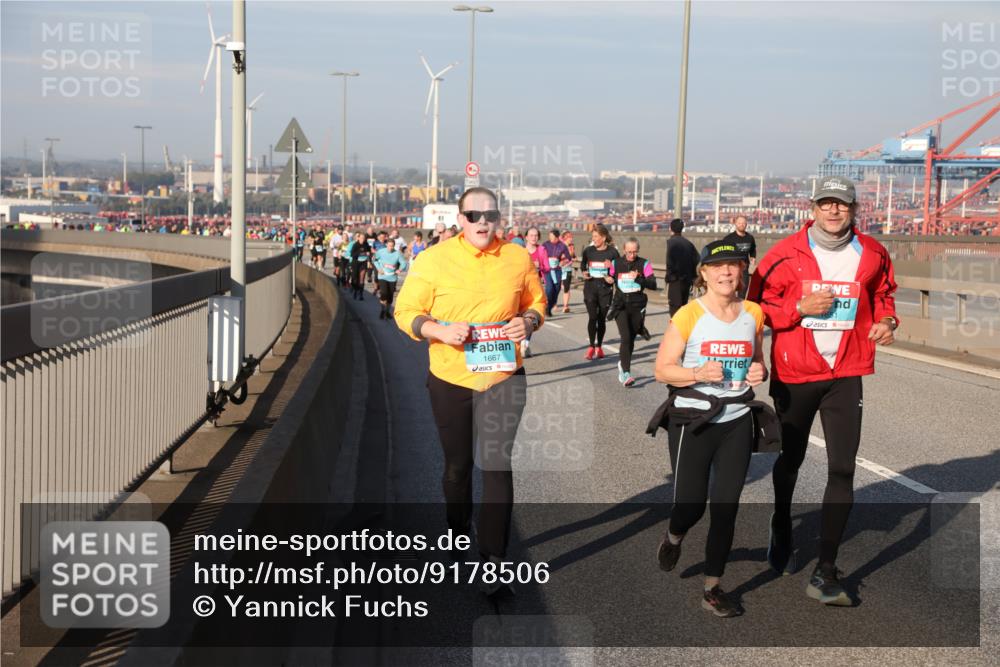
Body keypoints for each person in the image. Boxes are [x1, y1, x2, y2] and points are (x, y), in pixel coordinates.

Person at [747, 175, 899, 606]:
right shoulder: (783, 255)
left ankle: (826, 570)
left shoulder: (872, 253)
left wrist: (888, 322)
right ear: (812, 208)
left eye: (842, 204)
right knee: (791, 459)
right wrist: (795, 308)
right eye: (826, 203)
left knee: (843, 468)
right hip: (797, 373)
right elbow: (755, 310)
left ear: (854, 210)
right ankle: (781, 522)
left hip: (846, 371)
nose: (834, 211)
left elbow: (884, 294)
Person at [394, 187, 546, 597]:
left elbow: (536, 301)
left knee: (497, 465)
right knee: (458, 468)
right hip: (450, 378)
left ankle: (494, 562)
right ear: (460, 219)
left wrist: (529, 321)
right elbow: (405, 312)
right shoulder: (433, 259)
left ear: (499, 218)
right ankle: (458, 529)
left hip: (502, 377)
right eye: (473, 214)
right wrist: (439, 330)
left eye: (489, 214)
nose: (482, 221)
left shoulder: (517, 256)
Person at [653, 240, 768, 618]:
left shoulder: (754, 312)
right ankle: (674, 536)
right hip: (694, 421)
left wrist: (759, 371)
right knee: (690, 504)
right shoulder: (689, 314)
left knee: (726, 507)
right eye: (717, 267)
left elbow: (757, 361)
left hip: (736, 419)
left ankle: (712, 587)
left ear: (742, 271)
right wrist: (697, 373)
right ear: (703, 273)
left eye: (733, 266)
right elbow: (662, 370)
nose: (726, 273)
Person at [608, 238, 656, 387]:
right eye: (629, 252)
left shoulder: (644, 264)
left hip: (637, 306)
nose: (632, 255)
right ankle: (626, 372)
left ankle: (623, 364)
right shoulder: (616, 263)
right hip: (620, 305)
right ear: (624, 250)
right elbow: (609, 277)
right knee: (626, 337)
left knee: (632, 339)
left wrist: (639, 278)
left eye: (635, 252)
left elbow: (653, 284)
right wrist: (608, 279)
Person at [580, 224, 619, 360]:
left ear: (603, 238)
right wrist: (584, 273)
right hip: (590, 288)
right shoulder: (588, 251)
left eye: (596, 237)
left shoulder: (612, 252)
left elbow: (618, 270)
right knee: (593, 317)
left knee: (601, 319)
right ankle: (591, 347)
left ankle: (599, 347)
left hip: (605, 290)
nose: (594, 239)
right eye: (593, 237)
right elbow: (583, 265)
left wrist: (612, 274)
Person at [522, 227, 549, 358]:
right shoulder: (520, 251)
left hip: (535, 287)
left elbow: (547, 267)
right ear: (526, 237)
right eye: (531, 235)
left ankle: (525, 344)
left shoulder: (541, 250)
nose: (534, 238)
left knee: (530, 316)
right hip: (521, 287)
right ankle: (520, 343)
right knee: (517, 316)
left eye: (536, 235)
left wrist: (540, 267)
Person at [665, 218, 699, 315]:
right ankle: (683, 328)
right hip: (687, 280)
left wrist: (669, 277)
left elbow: (669, 262)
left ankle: (676, 329)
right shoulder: (688, 244)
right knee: (683, 306)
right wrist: (692, 276)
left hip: (675, 280)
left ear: (670, 228)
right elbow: (696, 258)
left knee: (674, 308)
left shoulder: (671, 243)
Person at [373, 236, 407, 320]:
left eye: (392, 246)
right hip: (383, 276)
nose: (390, 248)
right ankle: (382, 310)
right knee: (384, 293)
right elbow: (374, 259)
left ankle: (387, 311)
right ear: (386, 245)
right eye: (389, 245)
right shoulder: (381, 252)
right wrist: (379, 269)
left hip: (392, 277)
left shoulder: (397, 253)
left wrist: (400, 269)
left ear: (394, 246)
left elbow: (403, 263)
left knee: (390, 296)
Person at [723, 215, 756, 298]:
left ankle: (740, 309)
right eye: (739, 223)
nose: (742, 225)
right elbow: (723, 253)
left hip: (744, 269)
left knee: (742, 294)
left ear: (746, 224)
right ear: (735, 224)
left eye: (744, 223)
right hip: (731, 269)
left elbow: (752, 249)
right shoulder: (728, 238)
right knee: (730, 292)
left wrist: (753, 257)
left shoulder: (750, 238)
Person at [541, 229, 572, 318]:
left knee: (557, 289)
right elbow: (540, 255)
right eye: (549, 236)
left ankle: (549, 308)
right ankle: (546, 307)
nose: (550, 238)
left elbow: (568, 258)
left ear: (557, 237)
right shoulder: (545, 244)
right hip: (548, 270)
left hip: (557, 270)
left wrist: (563, 261)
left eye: (552, 237)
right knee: (549, 288)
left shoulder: (562, 246)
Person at [349, 231, 372, 300]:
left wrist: (369, 255)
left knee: (362, 279)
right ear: (358, 238)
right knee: (355, 279)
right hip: (356, 263)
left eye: (364, 238)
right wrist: (361, 253)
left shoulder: (366, 244)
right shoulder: (355, 245)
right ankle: (355, 291)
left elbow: (369, 251)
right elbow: (352, 254)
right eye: (361, 238)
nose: (362, 239)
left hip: (363, 263)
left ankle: (361, 294)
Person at [559, 231, 576, 313]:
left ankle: (565, 306)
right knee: (556, 288)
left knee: (566, 288)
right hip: (558, 269)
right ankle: (553, 304)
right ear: (565, 238)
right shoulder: (559, 246)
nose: (571, 239)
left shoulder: (572, 246)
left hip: (568, 269)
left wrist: (573, 258)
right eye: (569, 238)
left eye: (571, 237)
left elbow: (574, 256)